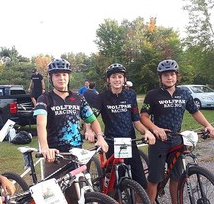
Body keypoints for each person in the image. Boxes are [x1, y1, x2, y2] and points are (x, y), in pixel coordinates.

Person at [33, 58, 108, 203]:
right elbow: (41, 124)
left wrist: (100, 137)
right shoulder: (45, 98)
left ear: (68, 76)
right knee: (54, 199)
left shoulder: (78, 97)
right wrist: (45, 148)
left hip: (76, 155)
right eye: (57, 75)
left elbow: (92, 120)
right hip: (54, 156)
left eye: (64, 74)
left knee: (78, 196)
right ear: (51, 77)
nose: (61, 78)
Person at [140, 59, 214, 204]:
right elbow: (143, 117)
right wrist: (155, 128)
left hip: (177, 140)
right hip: (159, 140)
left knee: (176, 177)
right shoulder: (153, 95)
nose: (169, 77)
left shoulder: (184, 93)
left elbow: (195, 111)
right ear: (160, 77)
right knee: (154, 178)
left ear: (177, 76)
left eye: (172, 74)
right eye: (166, 75)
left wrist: (208, 125)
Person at [90, 63, 155, 191]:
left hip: (129, 142)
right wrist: (90, 131)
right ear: (108, 80)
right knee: (116, 185)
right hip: (112, 143)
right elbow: (91, 117)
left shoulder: (130, 95)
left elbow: (136, 121)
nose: (117, 79)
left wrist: (146, 132)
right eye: (114, 77)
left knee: (141, 183)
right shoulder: (102, 97)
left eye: (120, 76)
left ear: (124, 79)